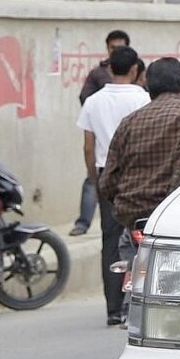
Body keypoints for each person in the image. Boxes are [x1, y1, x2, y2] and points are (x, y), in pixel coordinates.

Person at [98, 57, 180, 325]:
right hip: (170, 221)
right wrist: (170, 204)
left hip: (132, 220)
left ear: (148, 87)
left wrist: (124, 201)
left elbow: (107, 181)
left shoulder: (129, 122)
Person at [76, 46, 146, 320]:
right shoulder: (141, 98)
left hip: (107, 173)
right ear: (134, 70)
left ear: (109, 69)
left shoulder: (93, 101)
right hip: (136, 173)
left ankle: (113, 308)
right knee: (140, 239)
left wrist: (95, 178)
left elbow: (87, 146)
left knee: (110, 239)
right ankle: (135, 303)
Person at [72, 27, 132, 232]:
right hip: (104, 146)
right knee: (93, 182)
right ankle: (83, 222)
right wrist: (104, 108)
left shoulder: (136, 74)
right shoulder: (98, 74)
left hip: (129, 153)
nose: (115, 51)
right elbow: (84, 97)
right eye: (112, 47)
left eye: (119, 48)